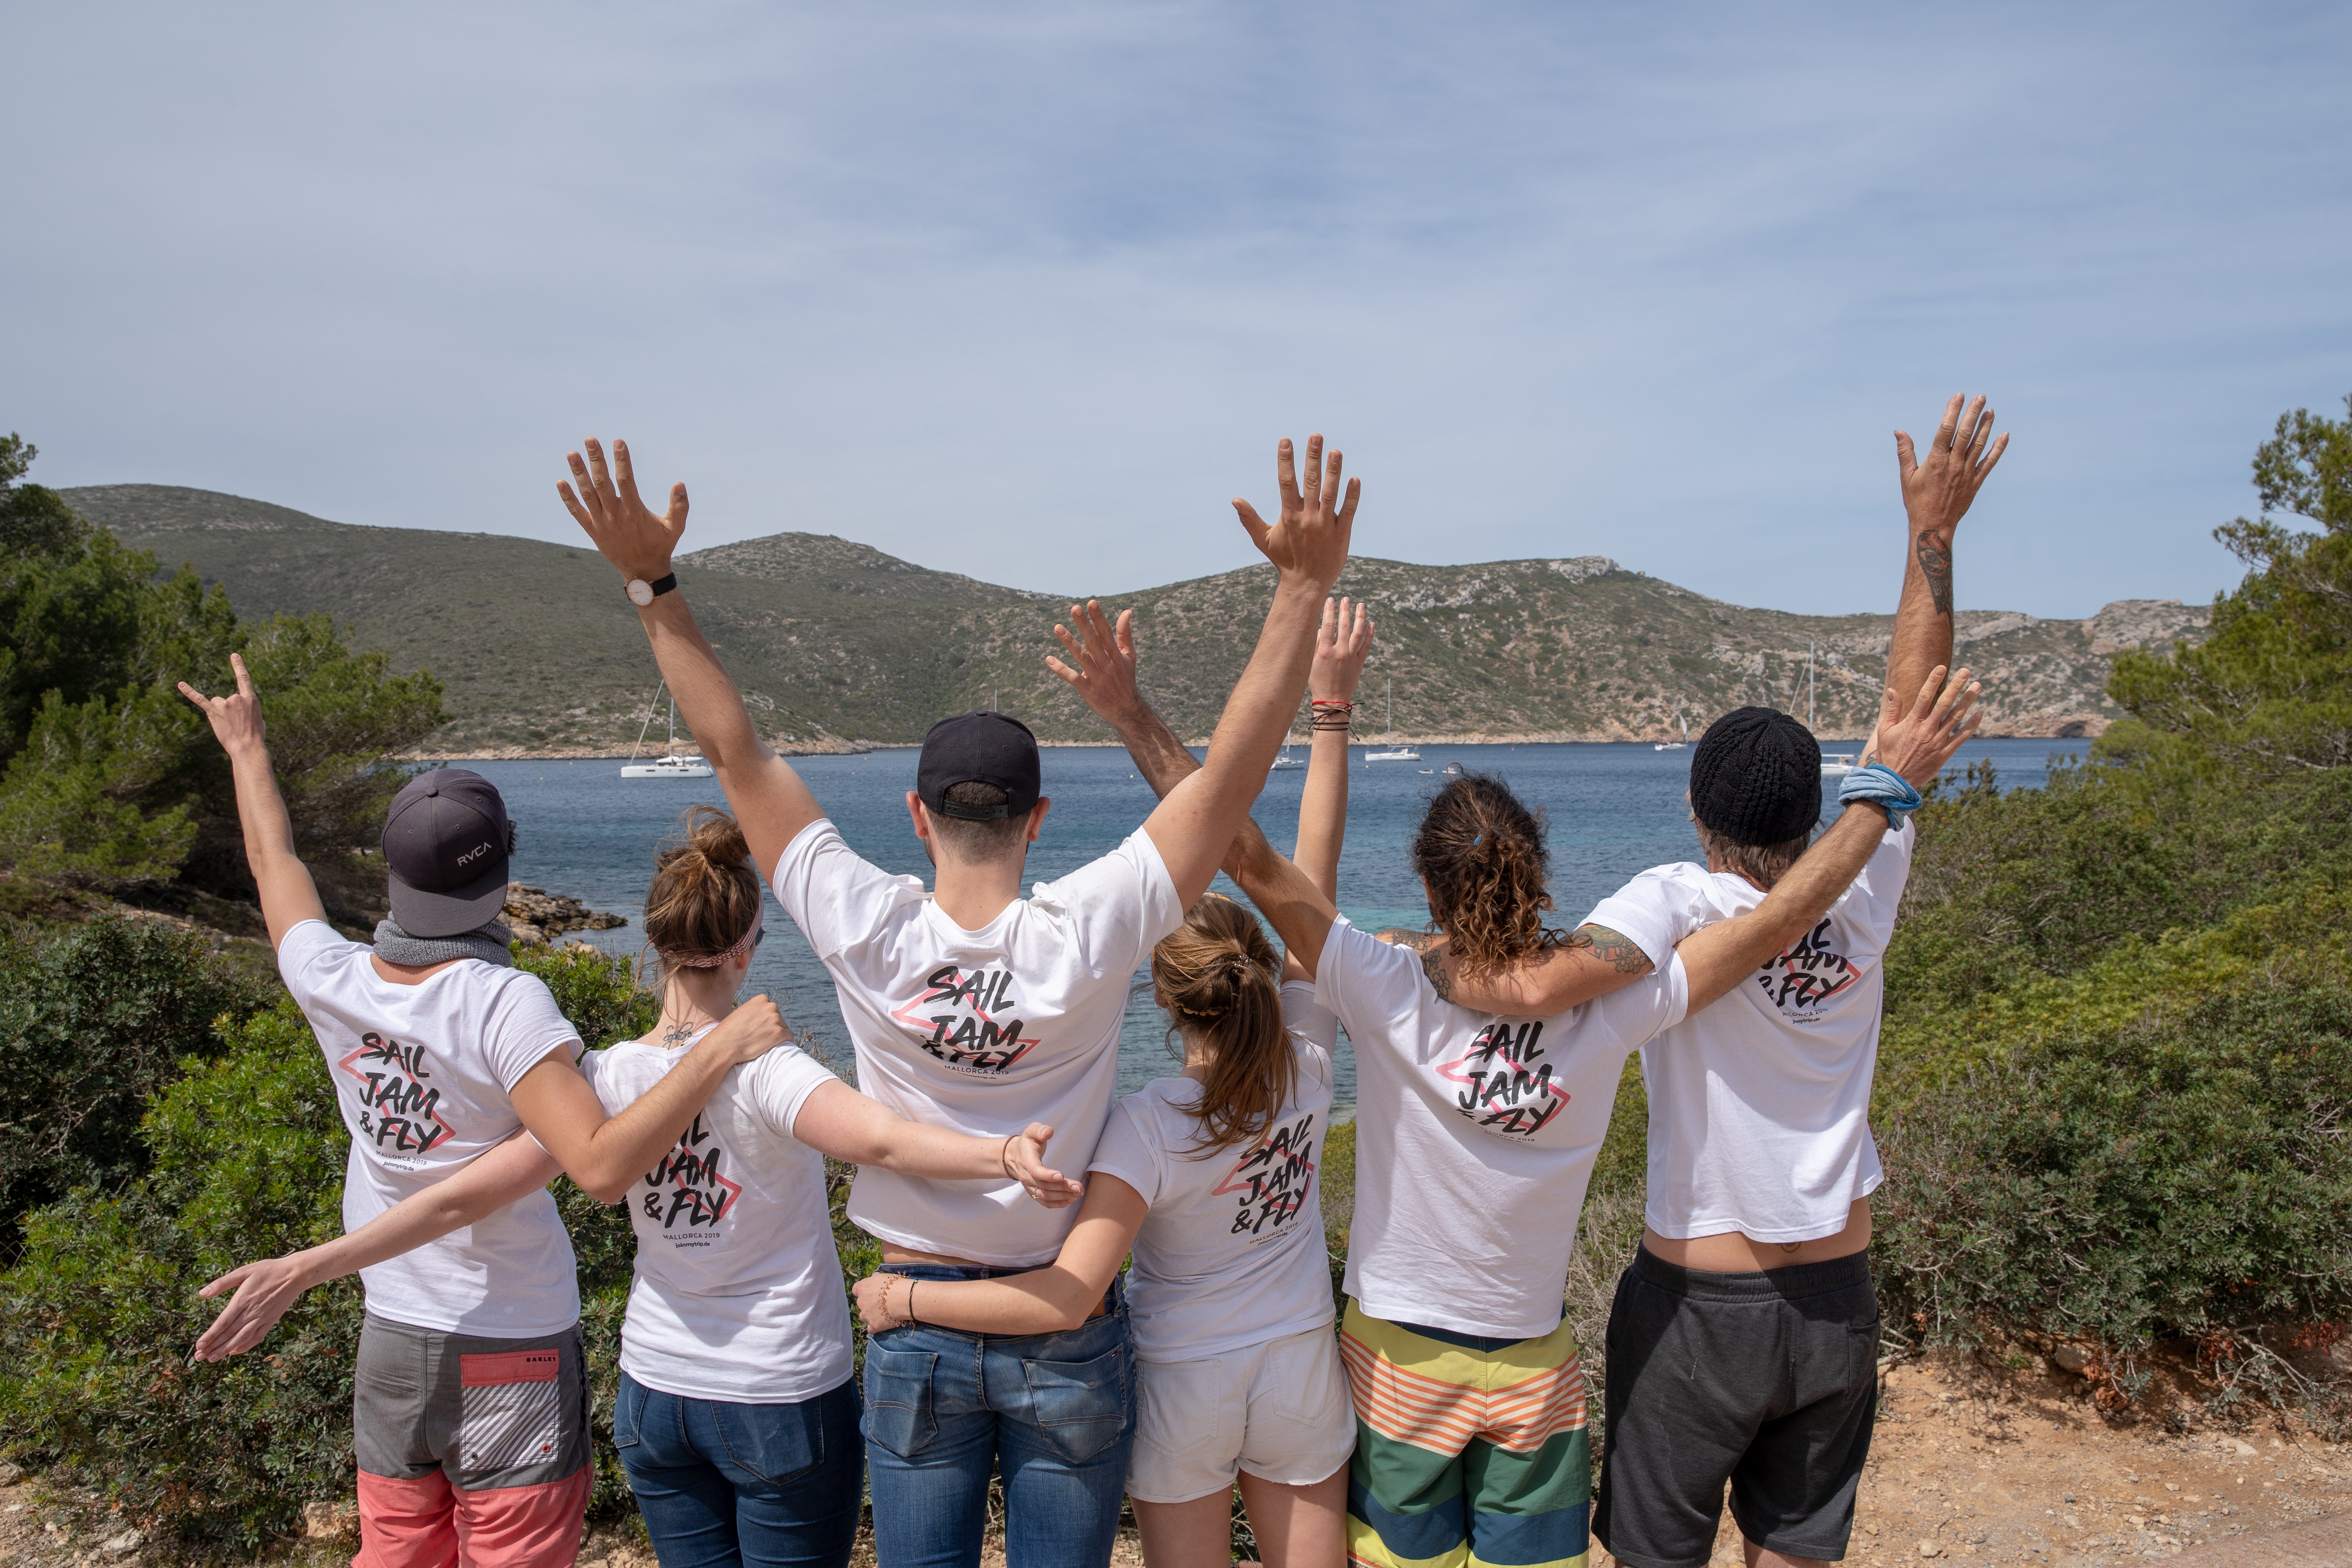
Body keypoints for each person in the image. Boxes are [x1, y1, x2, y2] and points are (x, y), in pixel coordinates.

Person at [1042, 593, 1982, 1568]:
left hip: (1397, 1352)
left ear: (1426, 883)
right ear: (1538, 875)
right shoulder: (1619, 1003)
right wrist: (1887, 792)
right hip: (1534, 1366)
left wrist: (1137, 714)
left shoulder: (1386, 983)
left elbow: (1244, 851)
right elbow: (1777, 921)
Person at [554, 432, 1360, 1568]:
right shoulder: (1091, 927)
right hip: (1063, 1328)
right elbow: (1231, 778)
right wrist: (1301, 587)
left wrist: (655, 585)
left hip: (913, 1319)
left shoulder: (863, 920)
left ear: (918, 816)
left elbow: (732, 750)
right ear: (1037, 820)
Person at [197, 805, 1085, 1568]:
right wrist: (1002, 1153)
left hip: (656, 1391)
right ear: (748, 943)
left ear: (657, 942)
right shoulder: (767, 1069)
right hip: (777, 1391)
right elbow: (885, 1139)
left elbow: (471, 1188)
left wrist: (325, 1259)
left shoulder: (601, 1080)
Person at [1431, 394, 2007, 1568]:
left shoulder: (1678, 899)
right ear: (1816, 810)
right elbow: (1904, 721)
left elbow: (1537, 990)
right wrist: (1932, 535)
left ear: (1697, 813)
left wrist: (1416, 959)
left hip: (1703, 1308)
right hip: (1839, 1299)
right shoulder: (1869, 874)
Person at [177, 657, 798, 1568]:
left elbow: (276, 859)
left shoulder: (328, 975)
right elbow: (596, 1165)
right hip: (509, 1335)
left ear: (391, 869)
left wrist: (247, 748)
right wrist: (717, 1050)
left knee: (396, 1549)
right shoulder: (505, 1003)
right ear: (502, 870)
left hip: (392, 1332)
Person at [847, 597, 1377, 1568]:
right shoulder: (1308, 1055)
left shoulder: (1145, 1128)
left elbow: (1069, 1289)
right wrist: (1329, 713)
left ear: (1164, 1001)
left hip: (1184, 1381)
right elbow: (1306, 879)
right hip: (1299, 1358)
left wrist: (901, 1298)